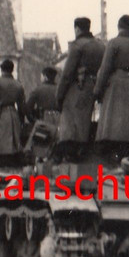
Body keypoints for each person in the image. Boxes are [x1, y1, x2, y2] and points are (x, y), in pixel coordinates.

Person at [94, 14, 129, 160]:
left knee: (116, 123)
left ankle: (115, 156)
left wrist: (98, 90)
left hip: (118, 84)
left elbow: (105, 69)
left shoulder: (113, 43)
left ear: (119, 27)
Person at [56, 17, 105, 161]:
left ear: (77, 29)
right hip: (95, 85)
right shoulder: (100, 46)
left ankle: (71, 155)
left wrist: (59, 95)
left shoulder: (77, 46)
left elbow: (67, 74)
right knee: (86, 120)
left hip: (79, 86)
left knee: (71, 122)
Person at [0, 59, 26, 166]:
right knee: (13, 150)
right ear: (12, 70)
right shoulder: (18, 85)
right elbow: (22, 107)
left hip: (0, 117)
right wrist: (21, 122)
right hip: (14, 116)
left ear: (2, 70)